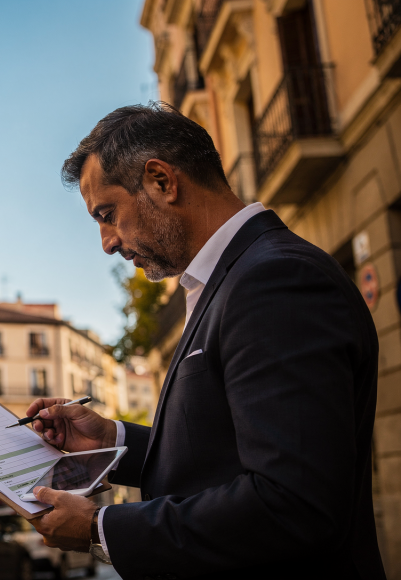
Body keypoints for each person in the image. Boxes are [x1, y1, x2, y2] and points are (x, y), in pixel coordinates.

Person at [26, 103, 386, 580]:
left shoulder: (274, 280)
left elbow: (293, 503)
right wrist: (111, 440)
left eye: (108, 214)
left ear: (161, 181)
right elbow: (222, 454)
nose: (107, 243)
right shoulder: (232, 279)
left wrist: (100, 526)